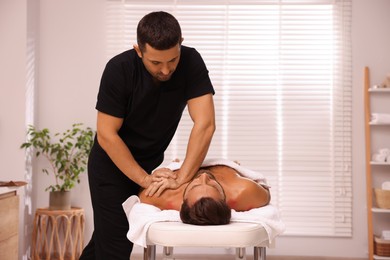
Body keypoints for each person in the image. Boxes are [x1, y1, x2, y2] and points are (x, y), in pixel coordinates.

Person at [80, 11, 215, 260]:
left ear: (180, 43)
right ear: (138, 50)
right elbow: (107, 135)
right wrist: (144, 179)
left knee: (104, 240)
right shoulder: (118, 70)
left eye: (172, 60)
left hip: (149, 162)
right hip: (110, 166)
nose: (166, 70)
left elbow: (205, 124)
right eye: (156, 63)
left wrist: (182, 177)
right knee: (116, 244)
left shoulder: (191, 62)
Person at [138, 164, 271, 225]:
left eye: (195, 186)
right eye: (213, 186)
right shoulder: (243, 191)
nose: (203, 176)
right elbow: (266, 192)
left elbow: (142, 193)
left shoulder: (164, 196)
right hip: (225, 167)